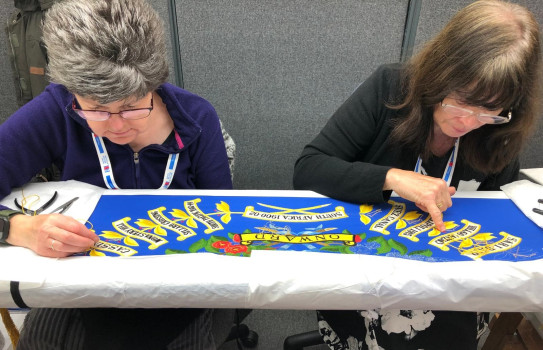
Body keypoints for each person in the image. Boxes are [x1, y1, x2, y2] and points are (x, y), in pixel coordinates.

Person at [293, 1, 542, 349]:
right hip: (369, 269)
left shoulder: (500, 128)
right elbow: (309, 168)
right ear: (441, 73)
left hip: (450, 277)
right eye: (462, 101)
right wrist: (392, 178)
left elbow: (495, 207)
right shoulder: (390, 88)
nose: (468, 123)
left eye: (489, 110)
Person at [0, 0, 232, 349]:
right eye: (96, 109)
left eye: (131, 105)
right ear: (73, 94)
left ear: (153, 82)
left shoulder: (197, 117)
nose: (118, 126)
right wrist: (18, 227)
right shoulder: (58, 109)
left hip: (177, 285)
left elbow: (223, 218)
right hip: (79, 281)